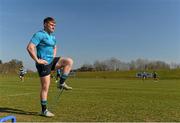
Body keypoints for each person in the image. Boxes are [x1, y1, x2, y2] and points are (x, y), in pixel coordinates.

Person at [27, 17, 73, 117]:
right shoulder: (39, 34)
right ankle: (44, 110)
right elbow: (30, 47)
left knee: (69, 61)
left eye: (54, 25)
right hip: (43, 64)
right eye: (51, 24)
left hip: (51, 61)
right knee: (45, 87)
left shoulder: (53, 37)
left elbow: (55, 46)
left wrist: (53, 55)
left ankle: (61, 83)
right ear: (45, 24)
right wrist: (37, 60)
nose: (54, 27)